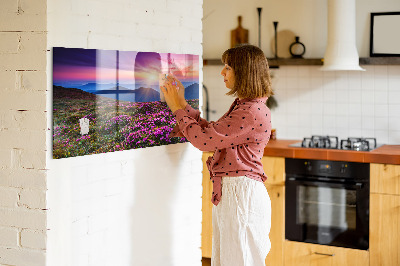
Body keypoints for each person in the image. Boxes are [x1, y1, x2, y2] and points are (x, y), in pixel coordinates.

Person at [160, 44, 273, 266]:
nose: (222, 72)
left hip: (241, 195)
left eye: (228, 67)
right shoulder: (246, 106)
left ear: (244, 71)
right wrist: (182, 104)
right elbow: (212, 133)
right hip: (236, 193)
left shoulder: (250, 111)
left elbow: (204, 141)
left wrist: (176, 109)